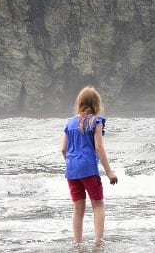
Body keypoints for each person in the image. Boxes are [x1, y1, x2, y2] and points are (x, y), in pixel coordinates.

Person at [61, 86, 119, 245]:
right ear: (96, 104)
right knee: (98, 205)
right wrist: (109, 172)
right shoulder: (96, 121)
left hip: (72, 170)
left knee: (78, 209)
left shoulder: (69, 122)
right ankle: (98, 241)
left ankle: (77, 242)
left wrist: (71, 163)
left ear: (79, 102)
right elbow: (99, 147)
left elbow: (63, 149)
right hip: (88, 169)